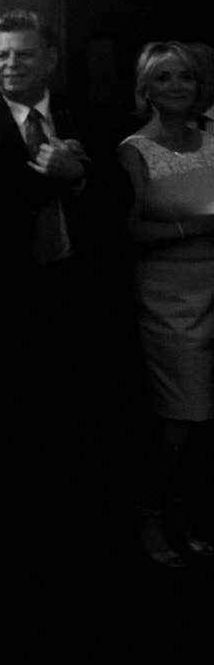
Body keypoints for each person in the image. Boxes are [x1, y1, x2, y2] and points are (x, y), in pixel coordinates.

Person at [0, 9, 104, 560]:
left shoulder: (84, 117)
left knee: (63, 422)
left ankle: (60, 539)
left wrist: (80, 176)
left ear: (50, 60)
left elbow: (120, 198)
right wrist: (47, 170)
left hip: (70, 291)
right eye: (0, 55)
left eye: (23, 54)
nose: (10, 65)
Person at [115, 42, 214, 567]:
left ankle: (185, 512)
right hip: (169, 294)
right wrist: (197, 227)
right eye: (164, 78)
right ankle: (147, 514)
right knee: (184, 414)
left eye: (186, 78)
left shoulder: (213, 139)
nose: (177, 86)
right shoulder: (135, 149)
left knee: (207, 418)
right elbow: (125, 232)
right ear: (146, 88)